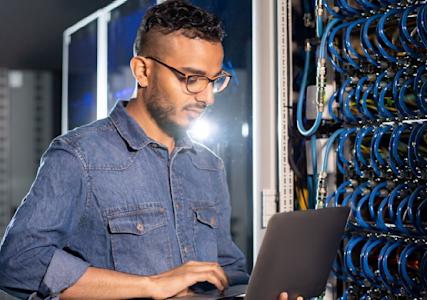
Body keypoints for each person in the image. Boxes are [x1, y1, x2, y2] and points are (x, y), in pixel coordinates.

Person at [0, 1, 301, 299]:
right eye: (192, 79)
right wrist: (151, 285)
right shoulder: (79, 156)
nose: (207, 98)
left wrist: (258, 294)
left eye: (214, 81)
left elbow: (226, 273)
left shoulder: (209, 166)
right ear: (142, 71)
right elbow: (18, 262)